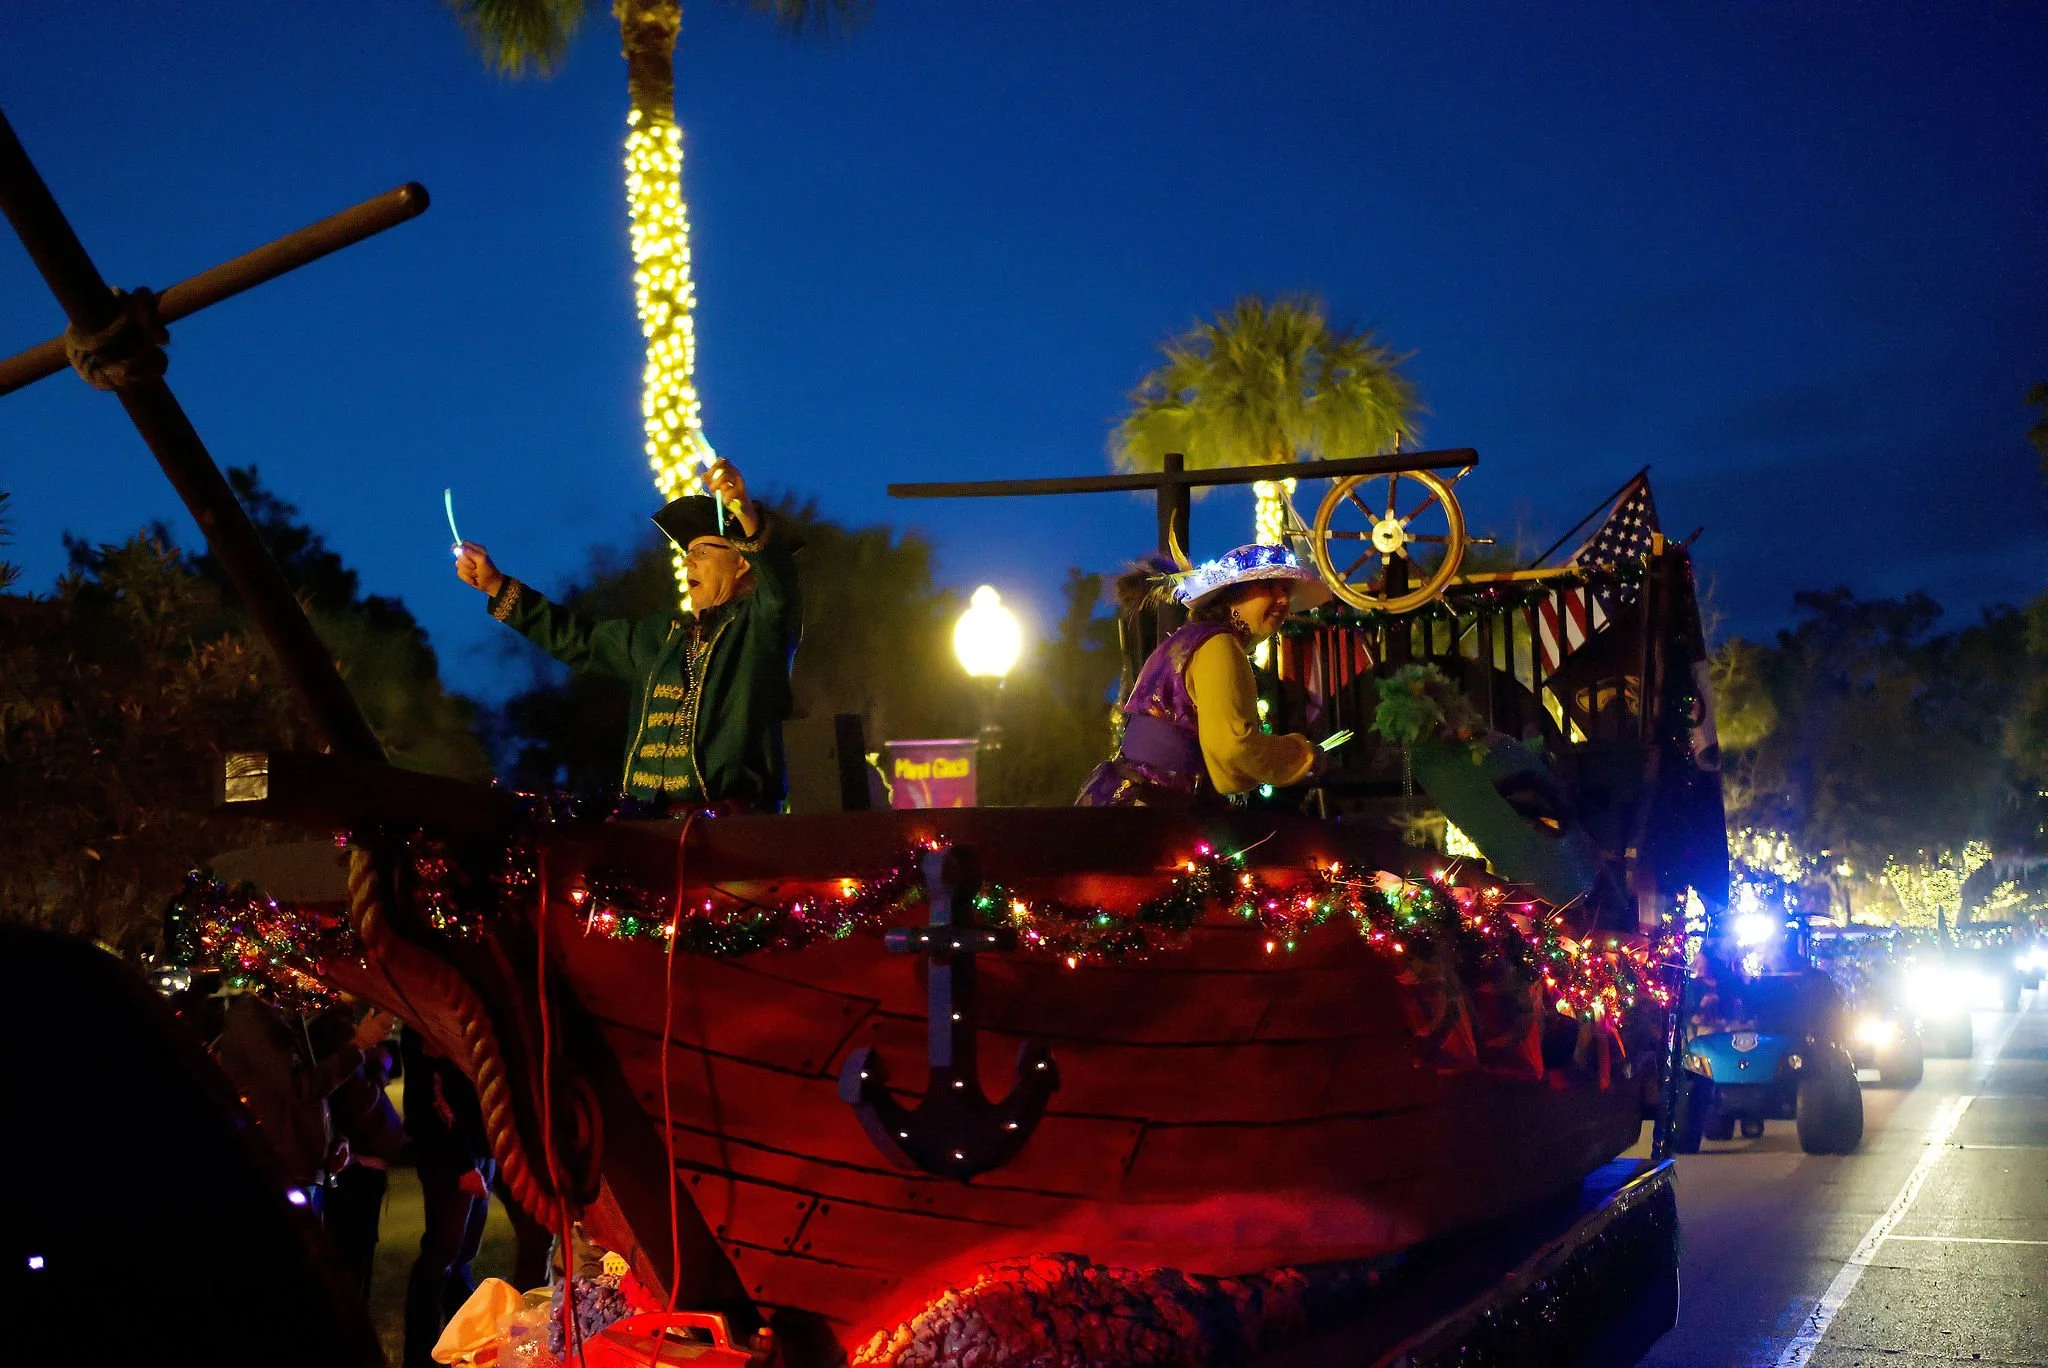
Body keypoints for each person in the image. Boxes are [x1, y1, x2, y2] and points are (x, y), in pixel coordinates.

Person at [456, 458, 799, 812]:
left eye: (701, 552)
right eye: (686, 554)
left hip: (741, 836)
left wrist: (745, 515)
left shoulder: (760, 628)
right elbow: (579, 641)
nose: (688, 562)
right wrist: (497, 585)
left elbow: (779, 588)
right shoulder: (659, 636)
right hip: (652, 832)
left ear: (742, 561)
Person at [1078, 545, 1330, 806]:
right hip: (1155, 810)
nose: (1283, 600)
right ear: (1231, 596)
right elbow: (1232, 750)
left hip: (1128, 798)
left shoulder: (1191, 640)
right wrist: (1303, 755)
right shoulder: (1219, 645)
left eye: (1285, 590)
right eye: (1269, 587)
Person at [400, 1026, 495, 1368]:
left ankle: (461, 1346)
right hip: (451, 1156)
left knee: (460, 1254)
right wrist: (462, 1163)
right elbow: (431, 1098)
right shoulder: (426, 1022)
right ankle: (421, 1353)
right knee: (443, 1254)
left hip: (475, 1148)